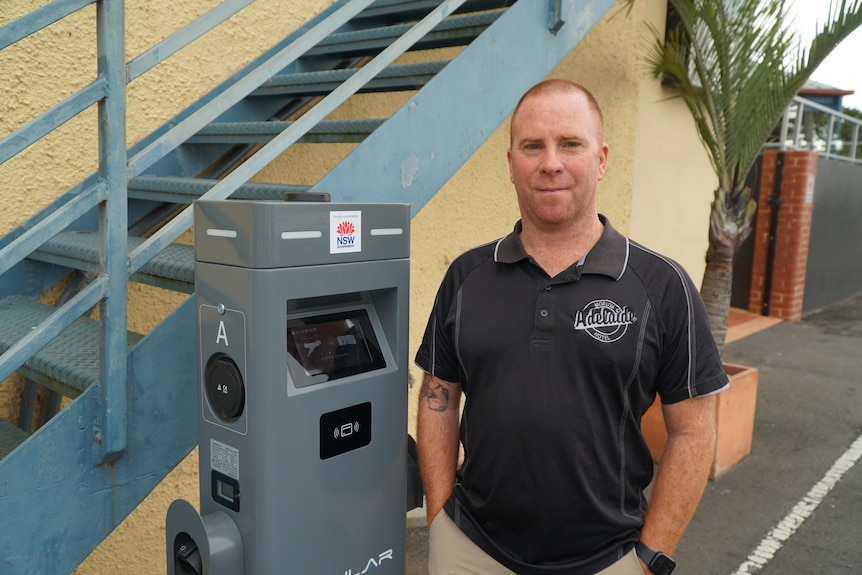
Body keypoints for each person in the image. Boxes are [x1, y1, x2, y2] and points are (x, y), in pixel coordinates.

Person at [414, 78, 729, 575]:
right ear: (511, 162)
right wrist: (439, 518)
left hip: (610, 559)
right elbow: (439, 396)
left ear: (601, 159)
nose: (551, 162)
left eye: (571, 145)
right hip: (472, 550)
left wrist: (651, 557)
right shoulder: (467, 278)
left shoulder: (661, 285)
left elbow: (693, 431)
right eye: (533, 146)